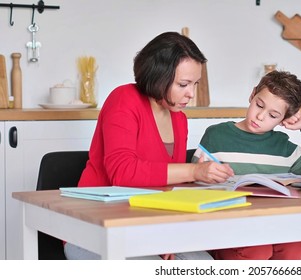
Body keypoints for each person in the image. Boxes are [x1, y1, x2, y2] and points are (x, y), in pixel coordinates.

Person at [65, 31, 234, 260]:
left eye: (195, 84)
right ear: (158, 77)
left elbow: (167, 188)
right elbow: (122, 173)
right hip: (94, 229)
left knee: (205, 264)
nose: (191, 94)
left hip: (148, 228)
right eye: (183, 84)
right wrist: (193, 171)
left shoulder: (178, 117)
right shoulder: (124, 99)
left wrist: (168, 237)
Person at [192, 70, 301, 260]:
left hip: (273, 225)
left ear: (283, 119)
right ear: (252, 95)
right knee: (257, 250)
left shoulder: (285, 149)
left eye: (273, 115)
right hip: (227, 227)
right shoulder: (216, 136)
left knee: (293, 248)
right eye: (259, 105)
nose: (260, 116)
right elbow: (193, 181)